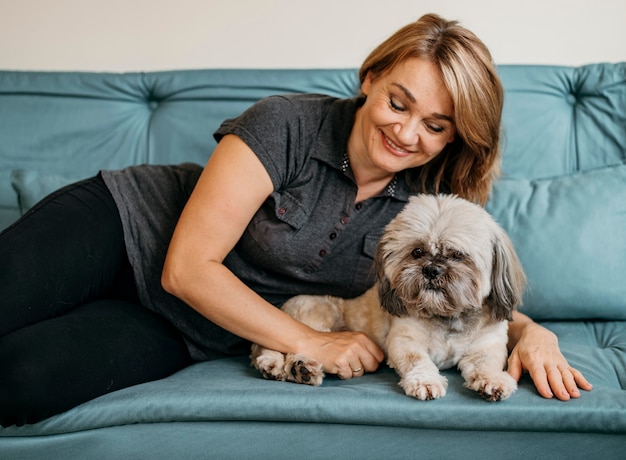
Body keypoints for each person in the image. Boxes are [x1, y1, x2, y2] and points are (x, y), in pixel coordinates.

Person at [0, 13, 591, 427]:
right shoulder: (285, 124)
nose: (407, 133)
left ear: (455, 136)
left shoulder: (428, 207)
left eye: (436, 126)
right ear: (370, 79)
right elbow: (185, 267)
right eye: (398, 102)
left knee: (22, 379)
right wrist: (312, 342)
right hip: (119, 228)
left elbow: (460, 286)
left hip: (192, 328)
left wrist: (531, 332)